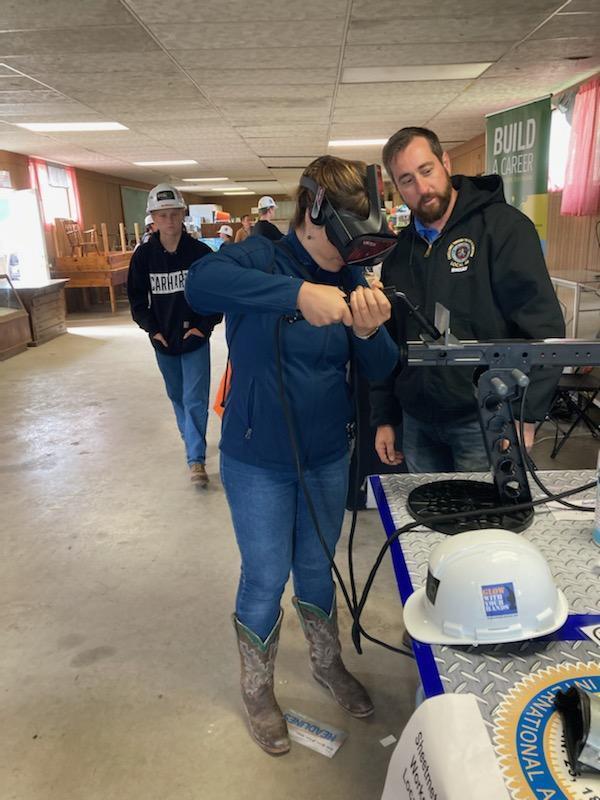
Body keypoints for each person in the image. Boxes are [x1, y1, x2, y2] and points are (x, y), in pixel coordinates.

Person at [185, 155, 399, 755]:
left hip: (329, 454)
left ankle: (327, 664)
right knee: (264, 575)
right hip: (258, 459)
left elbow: (382, 368)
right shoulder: (257, 256)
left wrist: (367, 331)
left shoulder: (354, 276)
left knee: (315, 564)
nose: (348, 260)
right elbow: (200, 287)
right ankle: (259, 689)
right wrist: (297, 293)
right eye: (341, 244)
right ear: (311, 212)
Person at [371, 127, 565, 474]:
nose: (422, 188)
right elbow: (389, 341)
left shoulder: (503, 229)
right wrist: (384, 417)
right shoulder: (400, 253)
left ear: (445, 162)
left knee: (484, 523)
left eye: (426, 171)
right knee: (428, 523)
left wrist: (526, 415)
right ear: (396, 188)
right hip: (417, 423)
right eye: (407, 180)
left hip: (486, 420)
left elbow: (543, 326)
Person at [127, 183, 223, 487]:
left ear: (183, 214)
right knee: (177, 396)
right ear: (153, 219)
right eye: (162, 215)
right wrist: (152, 330)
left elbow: (216, 296)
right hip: (163, 340)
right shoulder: (144, 257)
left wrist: (202, 327)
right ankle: (191, 440)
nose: (169, 221)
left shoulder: (201, 254)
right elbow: (137, 300)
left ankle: (196, 461)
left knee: (195, 399)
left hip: (195, 338)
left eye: (174, 214)